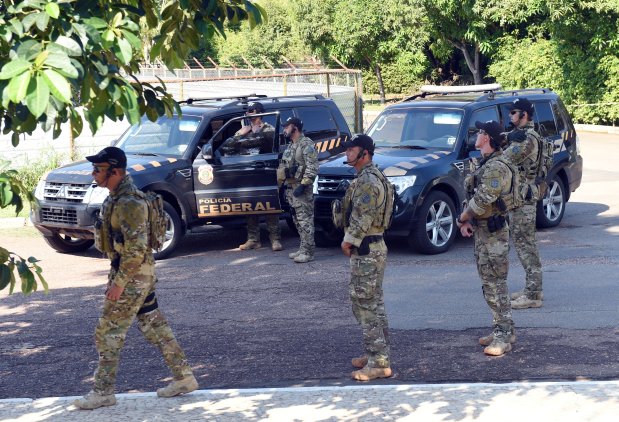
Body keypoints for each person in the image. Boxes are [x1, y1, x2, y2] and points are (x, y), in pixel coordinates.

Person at [74, 147, 197, 410]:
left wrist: (119, 284)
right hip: (135, 273)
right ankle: (184, 377)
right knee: (155, 325)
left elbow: (136, 249)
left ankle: (103, 391)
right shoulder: (116, 197)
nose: (93, 174)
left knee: (109, 330)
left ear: (116, 172)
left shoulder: (130, 203)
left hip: (132, 277)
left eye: (99, 170)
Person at [456, 121, 516, 356]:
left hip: (494, 233)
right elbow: (472, 194)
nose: (477, 135)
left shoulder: (496, 167)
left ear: (489, 138)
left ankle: (503, 336)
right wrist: (469, 220)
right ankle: (503, 328)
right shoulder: (485, 163)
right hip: (483, 230)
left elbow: (483, 199)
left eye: (481, 132)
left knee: (496, 283)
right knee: (488, 283)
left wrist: (462, 218)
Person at [339, 134, 392, 381]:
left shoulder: (369, 181)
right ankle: (376, 354)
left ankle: (379, 361)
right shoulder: (370, 176)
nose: (347, 153)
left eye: (352, 150)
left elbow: (363, 217)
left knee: (365, 304)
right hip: (372, 247)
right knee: (373, 304)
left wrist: (348, 241)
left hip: (366, 248)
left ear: (365, 154)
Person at [503, 98, 544, 309]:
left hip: (524, 198)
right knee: (524, 243)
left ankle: (533, 294)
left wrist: (504, 142)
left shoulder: (527, 139)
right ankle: (532, 288)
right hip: (522, 197)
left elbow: (506, 159)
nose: (510, 116)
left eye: (513, 112)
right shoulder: (524, 136)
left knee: (525, 245)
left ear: (524, 115)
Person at [227, 102, 282, 252]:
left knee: (269, 206)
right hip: (248, 174)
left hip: (264, 172)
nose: (248, 114)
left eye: (251, 111)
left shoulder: (269, 129)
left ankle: (275, 239)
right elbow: (227, 147)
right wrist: (240, 134)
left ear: (260, 113)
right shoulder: (243, 130)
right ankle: (253, 239)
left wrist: (256, 132)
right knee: (250, 206)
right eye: (247, 111)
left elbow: (270, 144)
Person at [277, 117, 318, 263]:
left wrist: (304, 185)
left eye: (287, 127)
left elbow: (312, 166)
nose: (284, 130)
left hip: (302, 190)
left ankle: (309, 252)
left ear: (294, 127)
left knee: (305, 220)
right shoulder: (291, 146)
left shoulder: (306, 144)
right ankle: (303, 248)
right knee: (297, 220)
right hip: (291, 188)